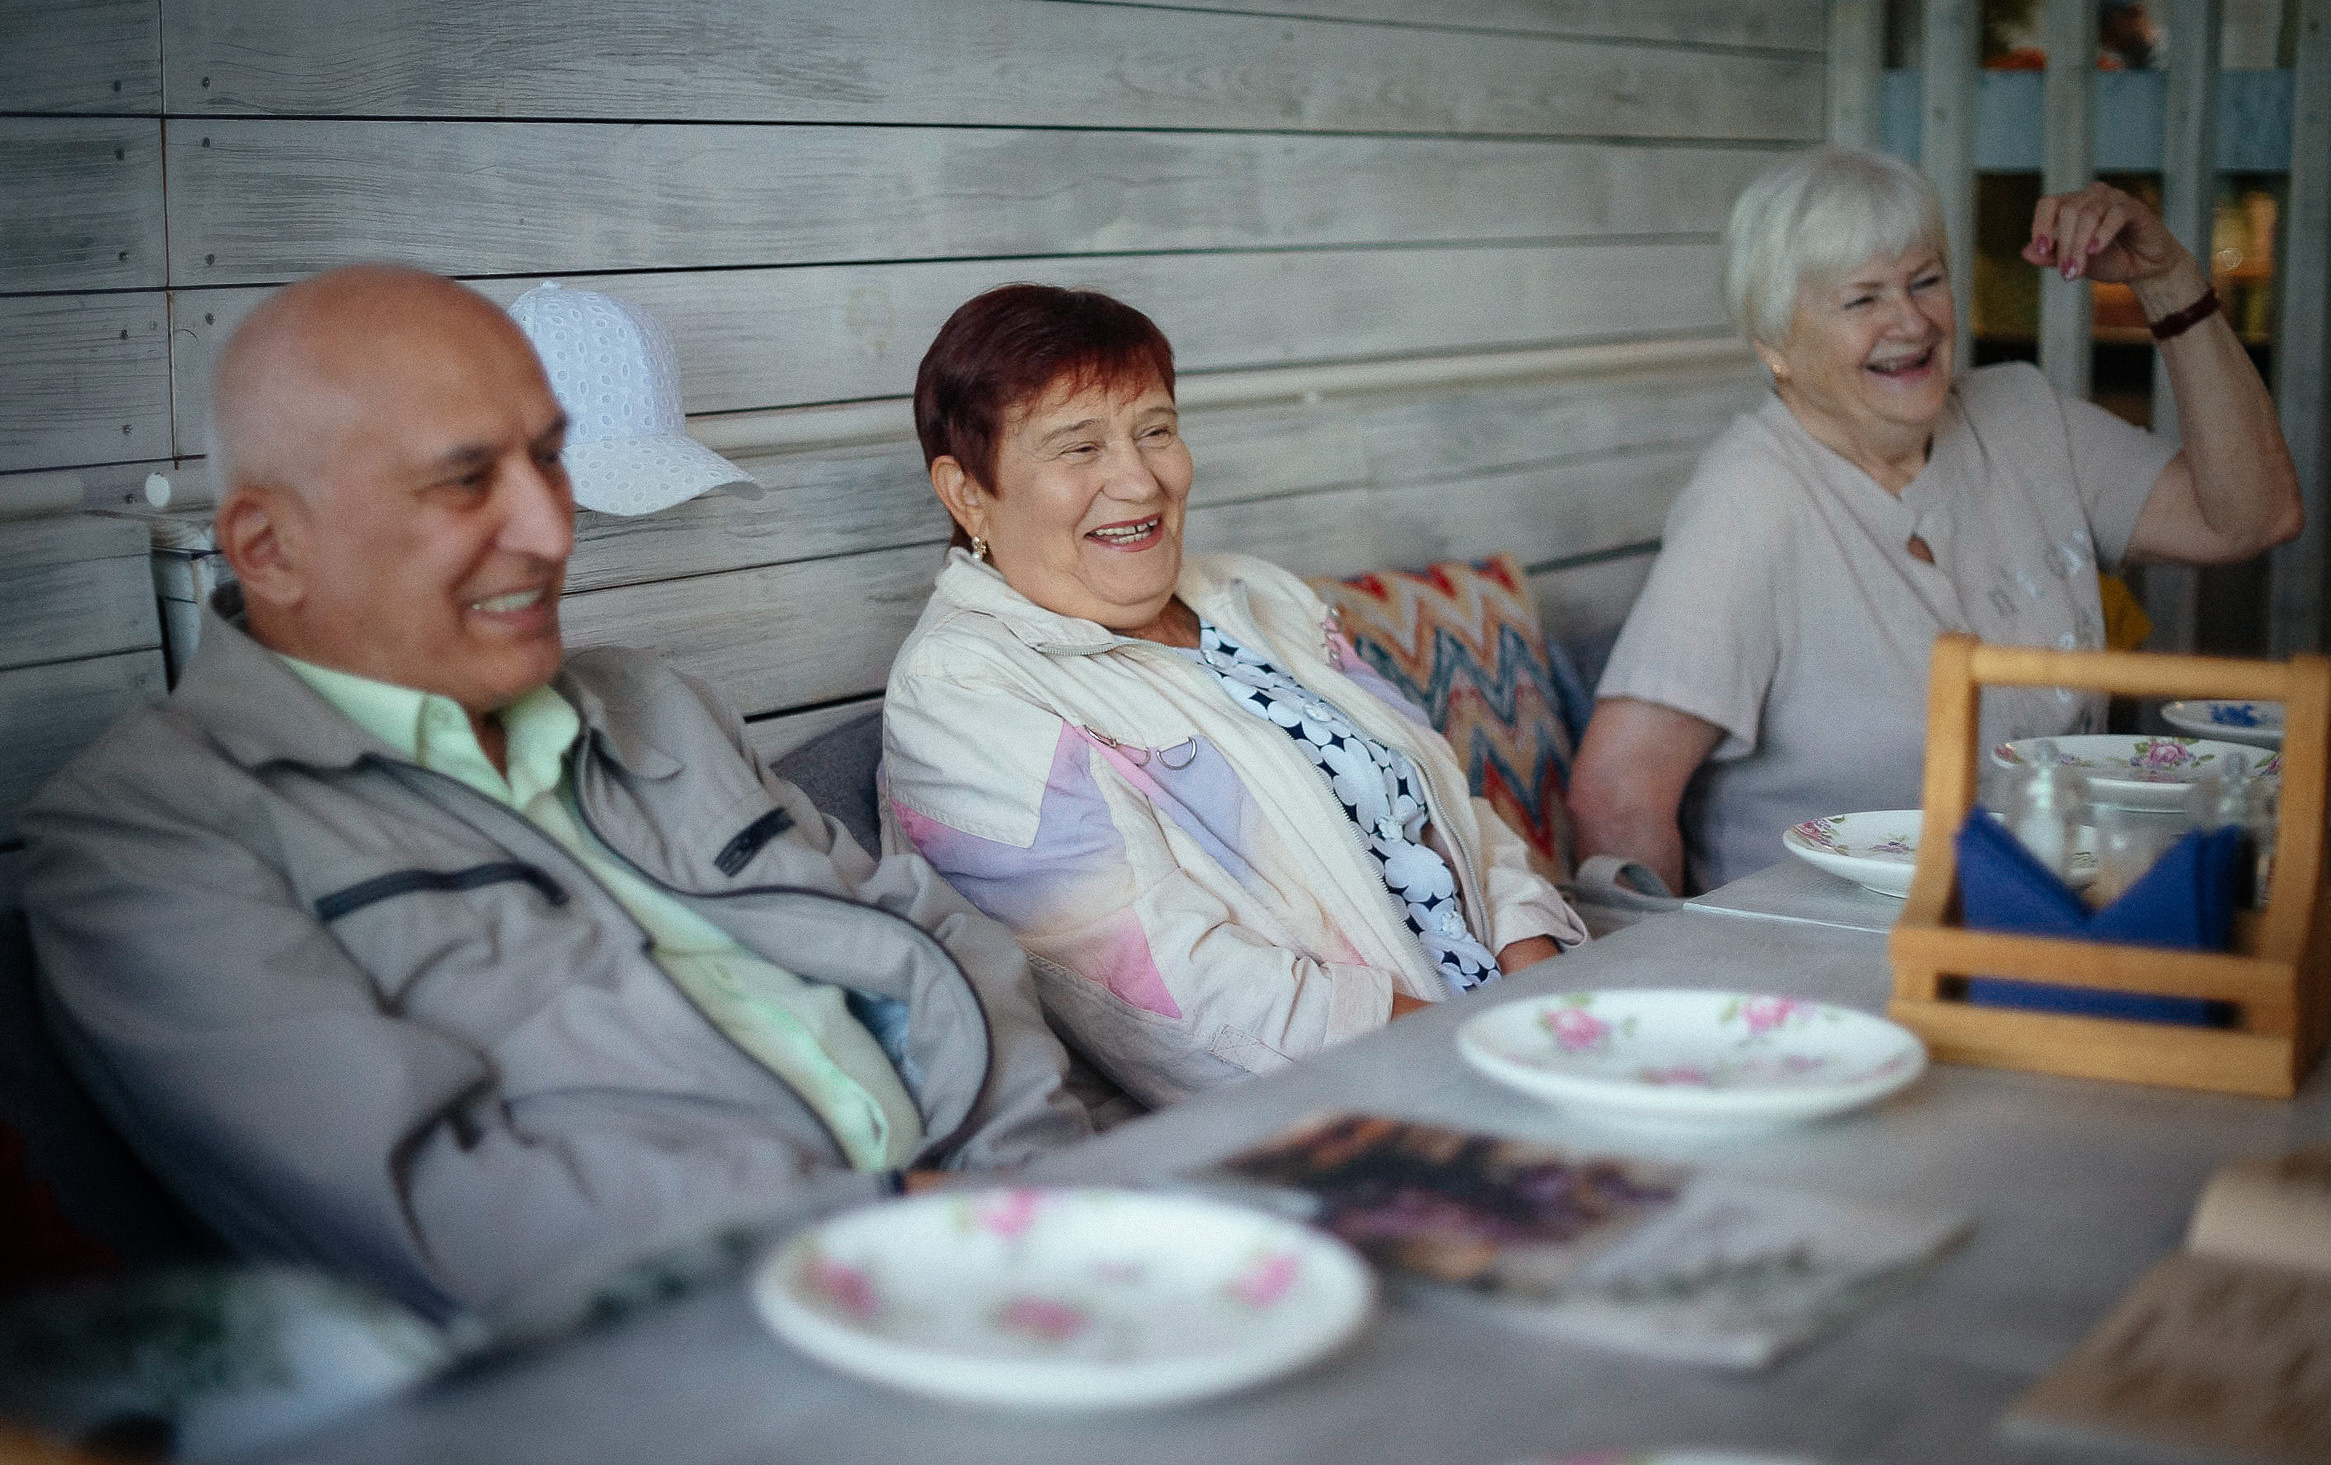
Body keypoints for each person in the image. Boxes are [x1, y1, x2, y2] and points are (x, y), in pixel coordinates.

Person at [19, 266, 1087, 1321]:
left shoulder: (653, 702)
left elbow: (932, 940)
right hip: (710, 1347)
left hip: (999, 1245)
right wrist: (895, 1224)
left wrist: (1042, 1190)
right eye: (464, 481)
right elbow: (444, 1218)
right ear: (270, 548)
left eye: (548, 458)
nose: (551, 529)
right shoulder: (154, 834)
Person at [880, 285, 1585, 1108]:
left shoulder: (1257, 595)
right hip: (1354, 1105)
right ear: (968, 492)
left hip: (1518, 1035)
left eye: (1154, 431)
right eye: (1079, 448)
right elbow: (1176, 998)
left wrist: (1549, 1015)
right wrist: (1481, 1062)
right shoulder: (961, 689)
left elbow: (1454, 818)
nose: (1138, 480)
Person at [1568, 148, 2301, 894]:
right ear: (1775, 347)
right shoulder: (1749, 502)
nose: (1911, 321)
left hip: (2047, 912)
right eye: (1862, 301)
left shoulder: (2021, 417)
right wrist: (1675, 959)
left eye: (1925, 281)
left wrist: (2167, 280)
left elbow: (2252, 517)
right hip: (1832, 941)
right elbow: (1619, 796)